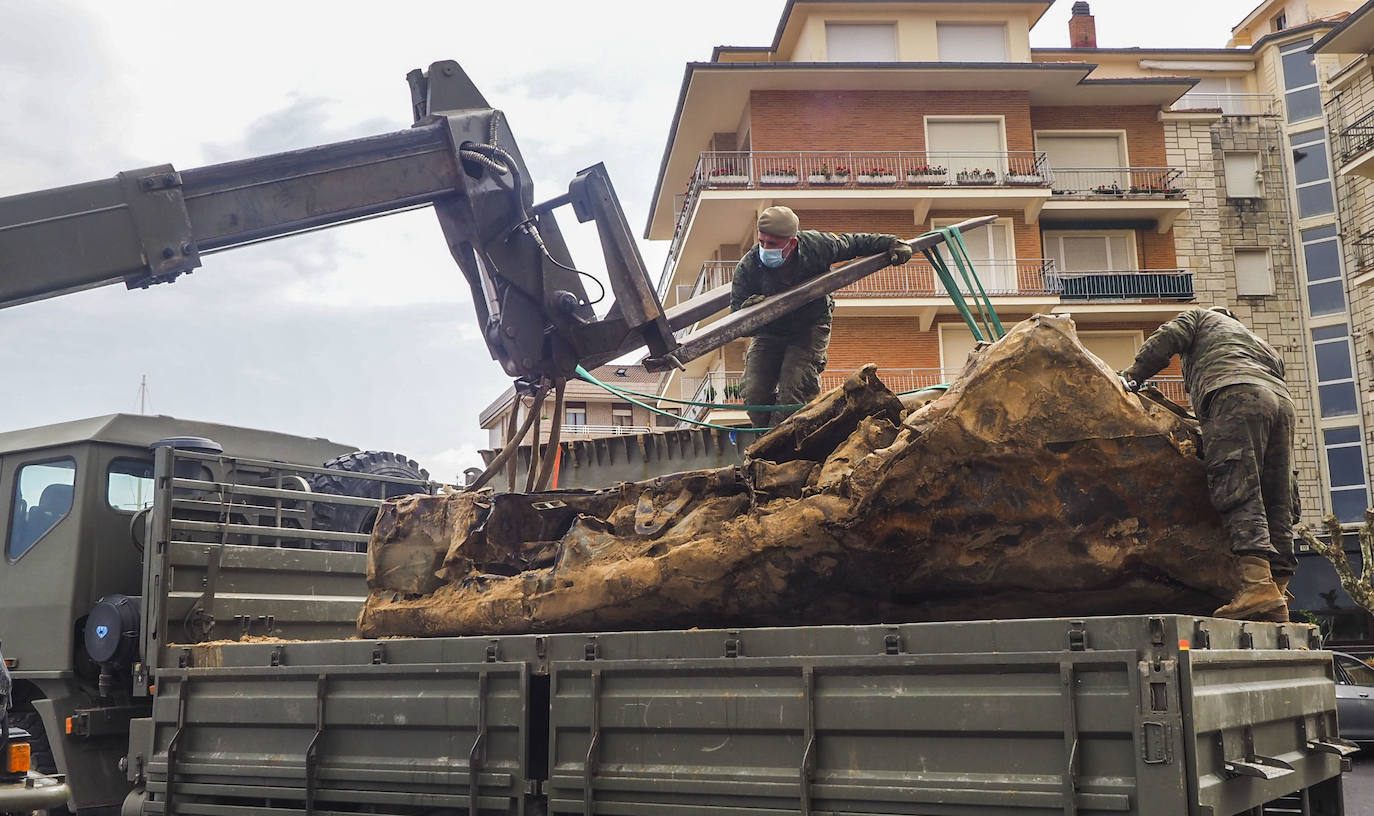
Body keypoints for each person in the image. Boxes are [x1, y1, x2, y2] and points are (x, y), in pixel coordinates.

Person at [1119, 306, 1296, 622]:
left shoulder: (1199, 317)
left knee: (1238, 485)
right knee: (1276, 498)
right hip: (1282, 403)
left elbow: (1168, 337)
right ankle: (1277, 592)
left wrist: (1132, 377)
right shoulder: (1258, 341)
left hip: (1233, 391)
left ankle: (1257, 587)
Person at [731, 206, 912, 428]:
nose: (765, 248)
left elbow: (854, 243)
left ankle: (783, 445)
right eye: (762, 242)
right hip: (770, 333)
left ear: (792, 243)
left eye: (773, 244)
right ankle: (773, 438)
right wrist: (750, 316)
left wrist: (891, 242)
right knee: (753, 393)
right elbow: (736, 322)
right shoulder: (748, 267)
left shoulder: (817, 245)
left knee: (795, 389)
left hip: (809, 327)